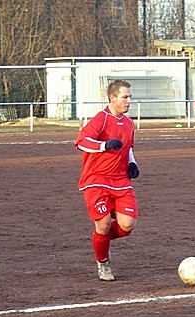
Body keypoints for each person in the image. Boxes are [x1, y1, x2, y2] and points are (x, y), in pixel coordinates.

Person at [75, 80, 140, 281]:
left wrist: (132, 163)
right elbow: (81, 142)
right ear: (113, 98)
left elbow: (128, 148)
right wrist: (104, 146)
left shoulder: (129, 123)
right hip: (96, 179)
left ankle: (99, 240)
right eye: (125, 97)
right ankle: (103, 263)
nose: (129, 101)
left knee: (127, 225)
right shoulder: (101, 119)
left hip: (121, 180)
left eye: (130, 97)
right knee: (103, 224)